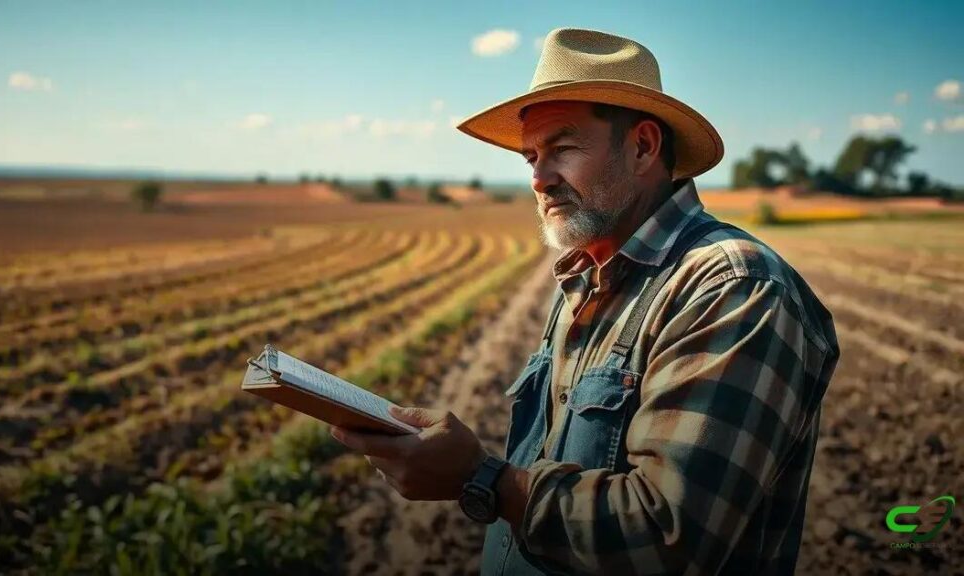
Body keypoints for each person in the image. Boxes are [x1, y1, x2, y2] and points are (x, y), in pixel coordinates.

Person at [330, 27, 840, 575]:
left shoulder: (732, 288)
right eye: (530, 158)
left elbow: (667, 539)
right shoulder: (590, 274)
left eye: (562, 149)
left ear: (642, 147)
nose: (539, 179)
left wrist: (480, 478)